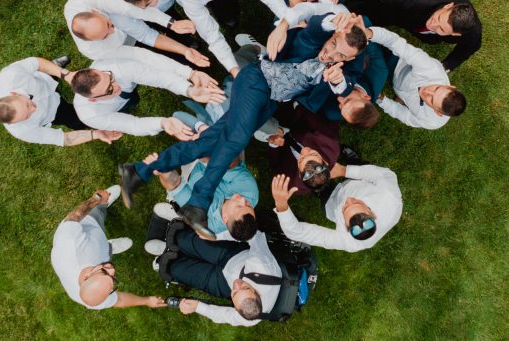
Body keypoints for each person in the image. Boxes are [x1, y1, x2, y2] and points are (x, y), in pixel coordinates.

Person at [117, 17, 370, 229]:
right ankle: (198, 203)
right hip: (256, 80)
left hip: (270, 100)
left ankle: (138, 171)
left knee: (211, 141)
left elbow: (346, 83)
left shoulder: (337, 69)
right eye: (334, 43)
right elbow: (317, 24)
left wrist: (337, 79)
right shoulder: (313, 39)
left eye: (340, 54)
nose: (332, 52)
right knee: (236, 139)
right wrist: (339, 22)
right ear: (334, 33)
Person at [51, 185, 166, 309]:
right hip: (97, 251)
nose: (112, 270)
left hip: (88, 225)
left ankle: (103, 205)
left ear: (86, 276)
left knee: (98, 213)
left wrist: (96, 199)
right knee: (105, 256)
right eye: (112, 279)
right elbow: (119, 300)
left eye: (105, 272)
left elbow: (76, 215)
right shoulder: (96, 299)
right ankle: (109, 247)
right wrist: (147, 301)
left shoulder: (69, 243)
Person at [147, 227, 281, 326]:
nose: (236, 285)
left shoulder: (248, 318)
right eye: (245, 287)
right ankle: (172, 242)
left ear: (235, 306)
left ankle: (164, 255)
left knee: (176, 270)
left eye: (234, 294)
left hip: (223, 283)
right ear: (255, 291)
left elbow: (223, 315)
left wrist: (197, 307)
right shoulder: (261, 265)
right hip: (233, 256)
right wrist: (219, 236)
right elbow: (253, 236)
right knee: (183, 239)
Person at [349, 0, 482, 72]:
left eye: (441, 29)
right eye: (438, 18)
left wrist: (445, 66)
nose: (433, 25)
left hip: (415, 21)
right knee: (376, 9)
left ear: (455, 34)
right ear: (448, 6)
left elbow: (469, 48)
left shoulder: (472, 34)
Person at [71, 57, 225, 137]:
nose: (116, 84)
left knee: (131, 93)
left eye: (110, 78)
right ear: (93, 99)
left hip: (132, 79)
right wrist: (162, 123)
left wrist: (189, 90)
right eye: (109, 89)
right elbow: (133, 125)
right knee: (130, 104)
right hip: (115, 108)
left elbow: (159, 77)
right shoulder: (90, 115)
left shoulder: (117, 67)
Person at [0, 56, 122, 147]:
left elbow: (37, 63)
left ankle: (54, 68)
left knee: (50, 72)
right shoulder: (22, 131)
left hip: (43, 82)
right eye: (27, 116)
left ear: (14, 94)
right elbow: (63, 139)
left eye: (27, 105)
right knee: (76, 120)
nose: (34, 109)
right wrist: (95, 134)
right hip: (53, 112)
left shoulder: (10, 76)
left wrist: (65, 74)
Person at [271, 164, 402, 252]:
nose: (349, 200)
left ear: (344, 226)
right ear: (371, 212)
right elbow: (384, 175)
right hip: (357, 182)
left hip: (332, 200)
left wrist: (281, 205)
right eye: (356, 203)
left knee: (324, 195)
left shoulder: (347, 241)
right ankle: (349, 163)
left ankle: (322, 191)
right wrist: (344, 170)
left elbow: (297, 232)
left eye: (345, 208)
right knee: (357, 169)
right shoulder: (390, 199)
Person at [65, 0, 206, 66]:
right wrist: (184, 51)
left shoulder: (83, 0)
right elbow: (142, 50)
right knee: (157, 56)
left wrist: (171, 23)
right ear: (92, 41)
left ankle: (186, 42)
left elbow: (131, 9)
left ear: (95, 11)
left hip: (116, 9)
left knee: (141, 12)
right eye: (105, 36)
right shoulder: (96, 51)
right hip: (123, 46)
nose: (113, 31)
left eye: (108, 25)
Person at [363, 22, 467, 129]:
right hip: (397, 64)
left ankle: (402, 97)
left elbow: (404, 116)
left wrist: (382, 99)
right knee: (368, 51)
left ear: (437, 112)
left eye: (431, 99)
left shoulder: (431, 122)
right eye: (436, 88)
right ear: (450, 86)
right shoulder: (430, 68)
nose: (426, 91)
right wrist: (369, 33)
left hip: (398, 84)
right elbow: (397, 43)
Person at [142, 150, 259, 240]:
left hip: (191, 175)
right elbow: (226, 161)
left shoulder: (206, 222)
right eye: (248, 205)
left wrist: (162, 169)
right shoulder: (250, 191)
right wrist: (203, 148)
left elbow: (176, 186)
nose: (243, 199)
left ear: (224, 217)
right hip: (221, 157)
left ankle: (177, 208)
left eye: (239, 206)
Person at [266, 103, 340, 196]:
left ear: (300, 174)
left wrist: (274, 144)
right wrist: (297, 105)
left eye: (301, 159)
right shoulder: (330, 142)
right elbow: (309, 114)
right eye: (313, 154)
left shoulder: (291, 183)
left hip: (278, 131)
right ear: (324, 161)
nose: (304, 151)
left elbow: (275, 163)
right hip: (298, 114)